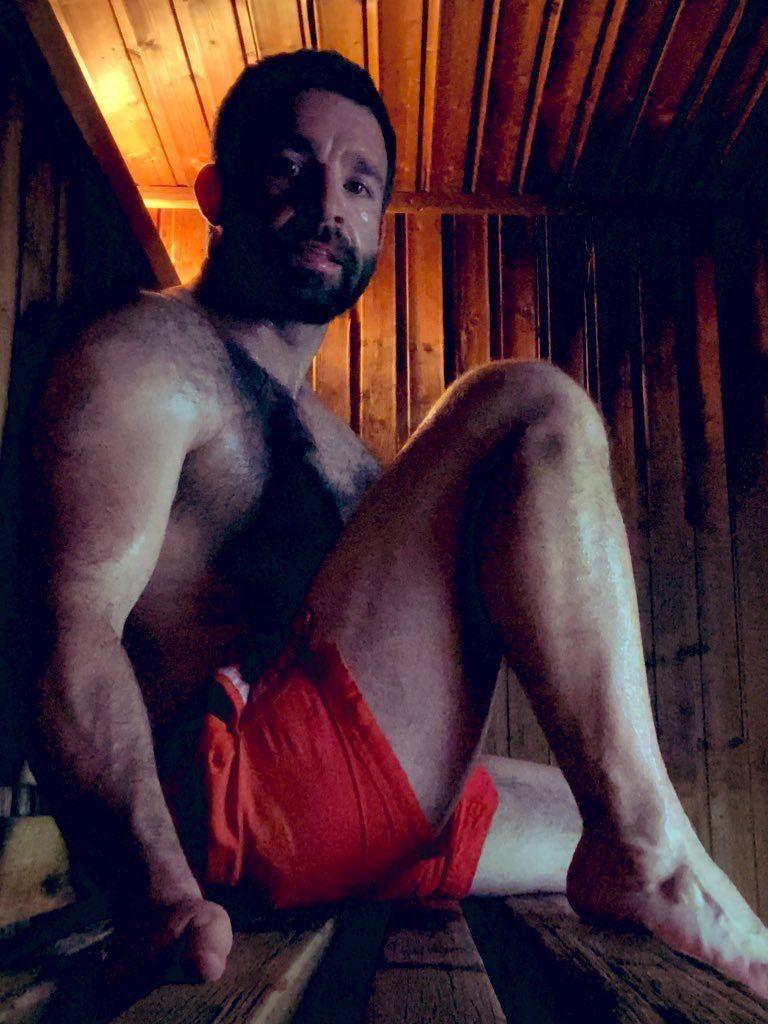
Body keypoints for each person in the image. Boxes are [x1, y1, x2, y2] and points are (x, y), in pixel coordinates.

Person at [28, 48, 768, 996]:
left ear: (378, 223)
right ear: (215, 193)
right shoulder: (147, 357)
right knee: (529, 405)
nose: (327, 205)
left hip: (331, 812)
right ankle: (656, 862)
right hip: (222, 812)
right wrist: (155, 894)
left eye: (358, 184)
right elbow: (68, 624)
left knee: (606, 807)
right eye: (290, 168)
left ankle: (654, 857)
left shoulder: (336, 444)